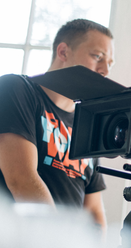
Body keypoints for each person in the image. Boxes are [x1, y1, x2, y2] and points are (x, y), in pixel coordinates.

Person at [0, 19, 114, 236]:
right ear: (63, 52)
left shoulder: (87, 126)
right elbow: (21, 179)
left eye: (110, 63)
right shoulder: (16, 89)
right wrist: (59, 240)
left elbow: (93, 212)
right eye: (97, 56)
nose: (105, 70)